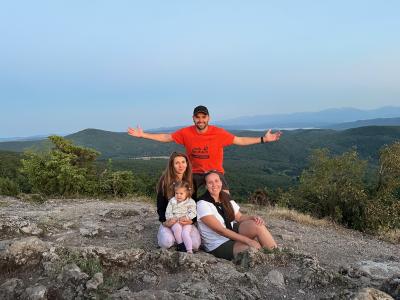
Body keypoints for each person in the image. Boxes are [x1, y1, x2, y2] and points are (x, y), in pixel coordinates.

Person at [128, 105, 282, 198]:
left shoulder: (218, 133)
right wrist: (143, 135)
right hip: (194, 172)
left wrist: (263, 139)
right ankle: (190, 223)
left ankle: (228, 221)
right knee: (186, 197)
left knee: (225, 198)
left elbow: (239, 140)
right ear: (193, 118)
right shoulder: (186, 132)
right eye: (197, 117)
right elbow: (166, 137)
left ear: (208, 118)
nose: (200, 120)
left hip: (215, 172)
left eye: (203, 117)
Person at [196, 171, 277, 260]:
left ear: (221, 182)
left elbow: (239, 217)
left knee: (257, 225)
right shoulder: (202, 204)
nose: (214, 185)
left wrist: (253, 217)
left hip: (230, 230)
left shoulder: (225, 196)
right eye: (210, 182)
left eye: (216, 181)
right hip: (217, 243)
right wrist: (249, 241)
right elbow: (221, 230)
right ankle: (266, 259)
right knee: (253, 248)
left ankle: (276, 254)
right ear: (206, 186)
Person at [156, 151, 201, 250]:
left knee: (195, 245)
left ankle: (180, 240)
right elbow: (160, 207)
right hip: (171, 220)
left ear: (187, 163)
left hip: (185, 220)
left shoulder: (191, 181)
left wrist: (191, 220)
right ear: (172, 165)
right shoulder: (165, 181)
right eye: (177, 163)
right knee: (167, 242)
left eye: (183, 162)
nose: (181, 166)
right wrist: (165, 222)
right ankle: (168, 237)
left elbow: (194, 204)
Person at [165, 181, 197, 253]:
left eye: (181, 193)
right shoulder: (172, 201)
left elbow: (193, 212)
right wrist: (171, 218)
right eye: (176, 193)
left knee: (185, 233)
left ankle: (189, 250)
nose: (178, 195)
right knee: (177, 228)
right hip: (175, 221)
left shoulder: (191, 202)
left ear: (187, 193)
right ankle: (181, 245)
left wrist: (187, 217)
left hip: (186, 222)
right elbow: (168, 211)